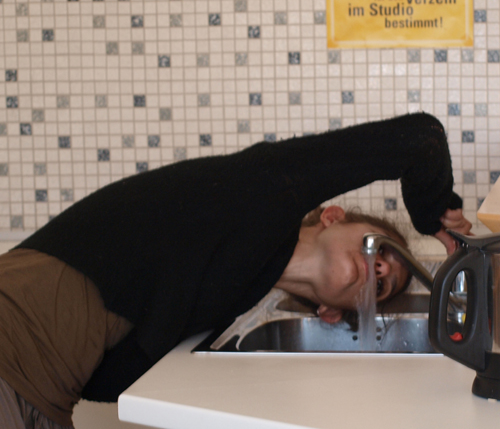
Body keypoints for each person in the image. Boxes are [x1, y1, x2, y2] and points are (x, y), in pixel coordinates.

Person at [0, 112, 472, 429]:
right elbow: (421, 138)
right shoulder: (263, 195)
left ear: (330, 313)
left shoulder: (236, 291)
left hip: (43, 396)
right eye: (378, 246)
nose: (380, 266)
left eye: (383, 283)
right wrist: (433, 215)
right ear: (332, 216)